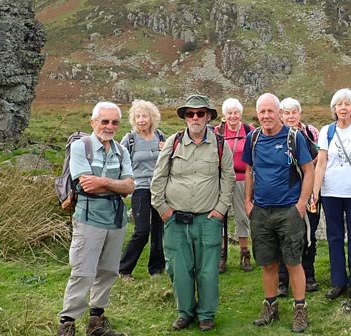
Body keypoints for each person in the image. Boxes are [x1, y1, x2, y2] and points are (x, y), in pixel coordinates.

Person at [151, 94, 234, 332]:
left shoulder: (220, 144)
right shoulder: (172, 142)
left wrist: (220, 210)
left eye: (200, 113)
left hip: (208, 220)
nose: (195, 117)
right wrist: (163, 209)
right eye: (190, 113)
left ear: (208, 116)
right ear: (185, 117)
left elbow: (228, 179)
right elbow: (159, 177)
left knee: (208, 272)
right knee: (178, 269)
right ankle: (185, 312)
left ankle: (206, 314)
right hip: (175, 220)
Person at [57, 102, 134, 336]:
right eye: (104, 121)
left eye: (114, 122)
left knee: (109, 271)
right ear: (93, 123)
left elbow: (130, 186)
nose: (110, 126)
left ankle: (96, 323)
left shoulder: (122, 151)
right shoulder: (81, 146)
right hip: (89, 219)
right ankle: (67, 324)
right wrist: (115, 185)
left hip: (116, 220)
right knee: (83, 272)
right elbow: (84, 185)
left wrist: (102, 182)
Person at [243, 93, 314, 333]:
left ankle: (300, 310)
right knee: (268, 263)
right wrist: (247, 202)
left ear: (279, 113)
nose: (266, 116)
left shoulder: (294, 138)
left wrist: (302, 204)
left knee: (294, 262)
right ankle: (270, 306)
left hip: (289, 211)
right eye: (262, 112)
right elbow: (249, 170)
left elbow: (309, 169)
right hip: (261, 211)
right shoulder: (252, 138)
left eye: (270, 111)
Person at [313, 89, 351, 300]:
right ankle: (338, 282)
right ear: (334, 108)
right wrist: (315, 192)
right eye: (339, 104)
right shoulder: (326, 131)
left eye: (347, 104)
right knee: (335, 237)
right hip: (331, 192)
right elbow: (321, 164)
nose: (343, 108)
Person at [277, 97, 321, 296]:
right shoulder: (275, 134)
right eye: (286, 113)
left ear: (300, 114)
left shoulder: (311, 132)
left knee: (308, 234)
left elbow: (321, 158)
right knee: (282, 236)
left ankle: (309, 275)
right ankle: (282, 280)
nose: (291, 116)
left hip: (309, 192)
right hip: (283, 194)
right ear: (281, 115)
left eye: (294, 112)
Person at [119, 100, 166, 281]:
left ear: (152, 118)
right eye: (137, 116)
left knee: (158, 230)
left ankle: (156, 269)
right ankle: (124, 269)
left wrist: (165, 150)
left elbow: (167, 161)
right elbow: (120, 162)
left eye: (144, 116)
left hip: (159, 188)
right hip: (139, 189)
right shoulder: (129, 139)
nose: (141, 120)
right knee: (142, 230)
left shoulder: (160, 136)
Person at [214, 97, 256, 273]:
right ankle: (221, 256)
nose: (233, 116)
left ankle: (244, 254)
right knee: (219, 217)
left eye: (236, 112)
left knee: (242, 217)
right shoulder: (216, 131)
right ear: (224, 115)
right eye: (229, 113)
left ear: (241, 113)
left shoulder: (249, 130)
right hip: (221, 180)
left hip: (242, 179)